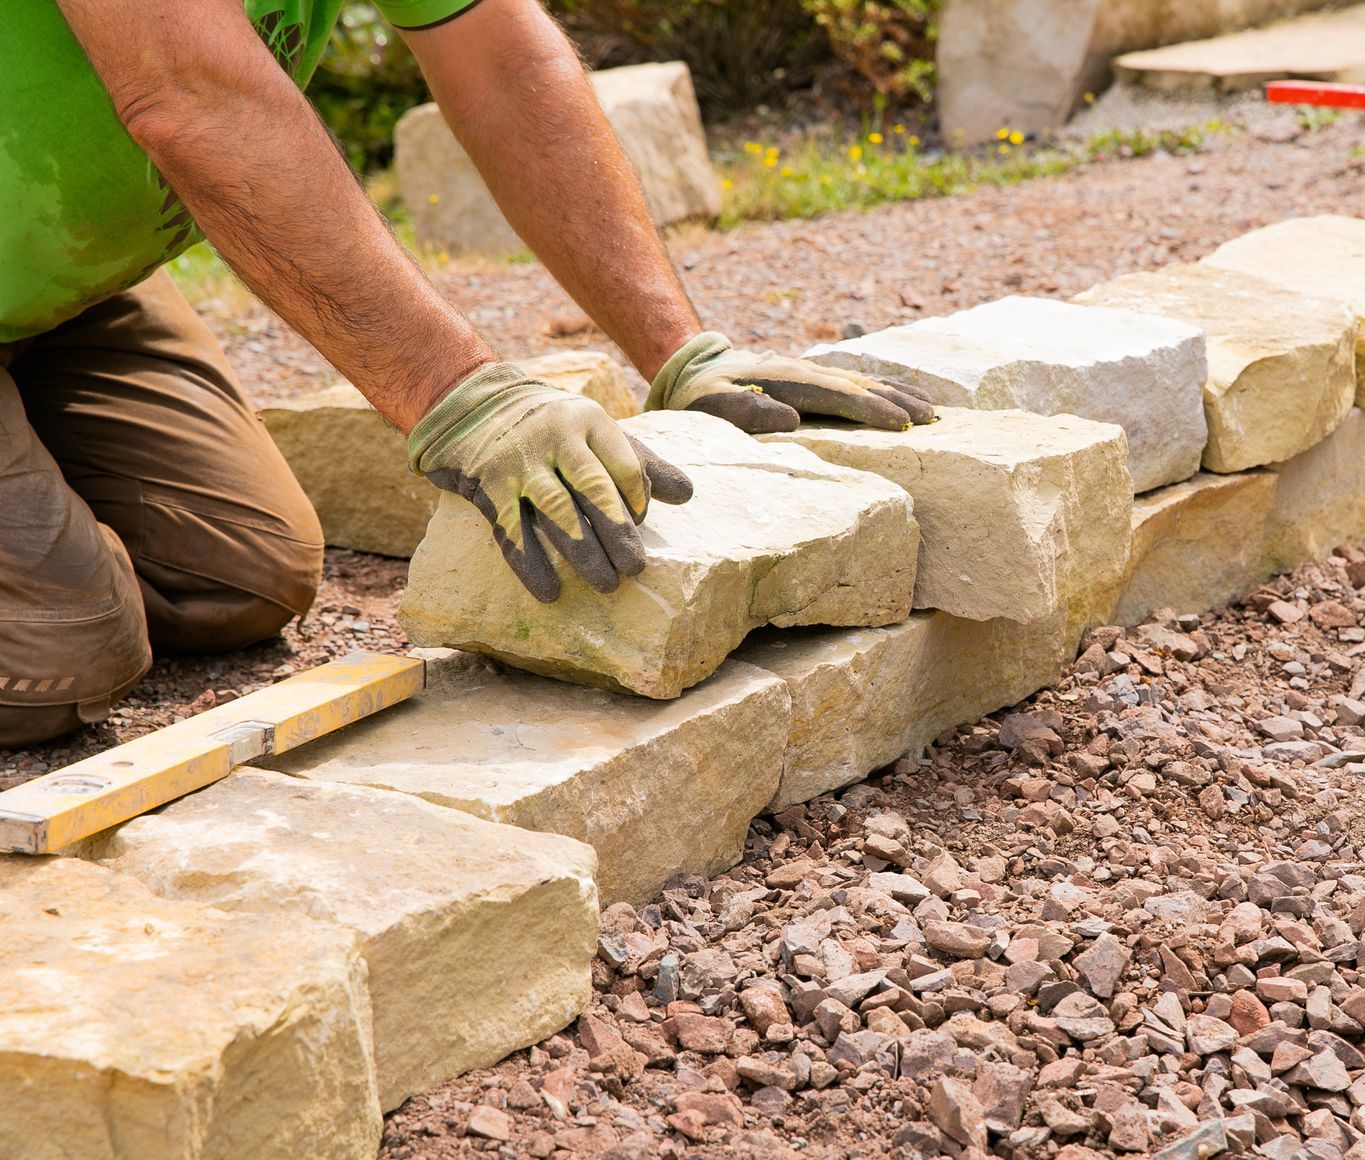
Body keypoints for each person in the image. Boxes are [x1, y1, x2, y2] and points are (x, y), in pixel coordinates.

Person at [0, 0, 934, 749]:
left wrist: (681, 349)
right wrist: (459, 393)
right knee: (61, 651)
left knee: (238, 575)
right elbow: (194, 97)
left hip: (66, 294)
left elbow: (502, 61)